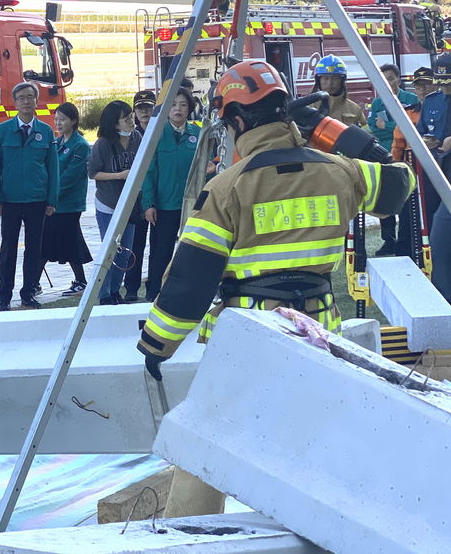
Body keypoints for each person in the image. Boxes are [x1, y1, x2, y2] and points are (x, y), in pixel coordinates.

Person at [137, 59, 415, 517]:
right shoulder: (339, 171)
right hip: (319, 335)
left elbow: (190, 280)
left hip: (247, 341)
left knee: (205, 443)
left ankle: (189, 537)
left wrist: (156, 343)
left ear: (238, 122)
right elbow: (396, 185)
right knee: (316, 446)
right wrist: (332, 132)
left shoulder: (227, 188)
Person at [0, 82, 59, 311]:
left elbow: (53, 169)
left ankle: (28, 292)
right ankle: (4, 296)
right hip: (9, 200)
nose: (26, 102)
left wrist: (52, 200)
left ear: (36, 101)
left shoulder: (46, 132)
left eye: (30, 97)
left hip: (37, 200)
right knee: (8, 249)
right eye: (21, 98)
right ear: (15, 102)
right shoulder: (2, 130)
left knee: (33, 249)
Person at [142, 89, 199, 302]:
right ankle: (154, 293)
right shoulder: (156, 134)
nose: (178, 109)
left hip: (190, 206)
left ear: (189, 108)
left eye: (183, 104)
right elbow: (148, 172)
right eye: (173, 104)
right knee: (160, 252)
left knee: (190, 251)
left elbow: (208, 163)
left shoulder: (197, 134)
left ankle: (187, 293)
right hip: (164, 206)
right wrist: (149, 203)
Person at [34, 102, 92, 297]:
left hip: (69, 204)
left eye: (63, 119)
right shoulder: (57, 143)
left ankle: (81, 281)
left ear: (73, 121)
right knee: (47, 241)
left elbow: (69, 178)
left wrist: (51, 194)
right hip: (53, 203)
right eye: (56, 119)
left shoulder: (80, 145)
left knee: (69, 241)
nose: (58, 123)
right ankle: (33, 282)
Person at [88, 100, 141, 305]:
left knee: (125, 254)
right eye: (126, 118)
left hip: (129, 204)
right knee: (110, 250)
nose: (131, 121)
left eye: (131, 116)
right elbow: (93, 173)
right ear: (115, 124)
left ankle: (115, 290)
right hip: (108, 204)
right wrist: (119, 175)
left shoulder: (136, 137)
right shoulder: (103, 144)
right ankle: (104, 294)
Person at [368, 63, 419, 256]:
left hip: (406, 155)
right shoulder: (377, 103)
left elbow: (409, 128)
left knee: (408, 200)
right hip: (384, 155)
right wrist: (394, 127)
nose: (387, 83)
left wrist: (388, 126)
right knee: (385, 199)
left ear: (398, 78)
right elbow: (374, 127)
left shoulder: (410, 99)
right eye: (383, 79)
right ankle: (389, 240)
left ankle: (409, 240)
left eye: (390, 78)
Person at [420, 54, 451, 303]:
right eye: (442, 82)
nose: (444, 88)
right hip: (442, 178)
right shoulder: (435, 100)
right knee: (438, 247)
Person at [123, 90, 156, 302]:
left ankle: (155, 286)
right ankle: (131, 288)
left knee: (158, 246)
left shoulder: (161, 130)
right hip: (136, 200)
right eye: (140, 108)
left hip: (158, 197)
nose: (144, 112)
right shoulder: (131, 136)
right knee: (135, 246)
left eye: (148, 107)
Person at [312, 55, 367, 127]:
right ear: (318, 80)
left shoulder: (355, 110)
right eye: (326, 78)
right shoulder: (307, 107)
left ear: (342, 80)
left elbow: (366, 134)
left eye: (335, 78)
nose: (330, 83)